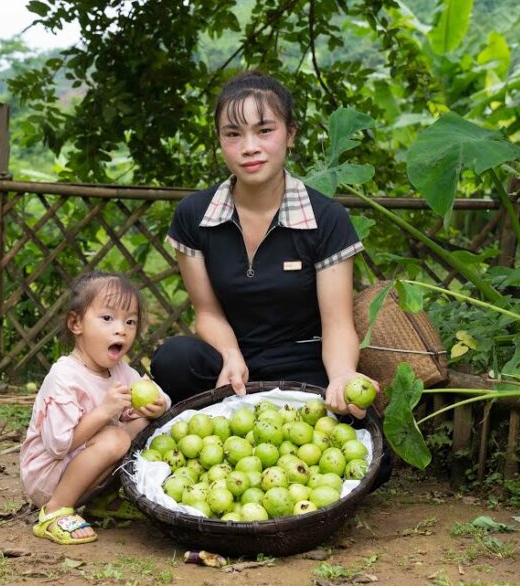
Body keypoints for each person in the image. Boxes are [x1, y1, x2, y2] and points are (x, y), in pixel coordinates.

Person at [150, 69, 379, 420]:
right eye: (233, 134)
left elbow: (337, 323)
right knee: (174, 359)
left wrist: (342, 376)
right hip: (231, 366)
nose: (249, 147)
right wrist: (229, 355)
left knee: (355, 429)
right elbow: (207, 312)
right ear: (219, 140)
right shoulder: (194, 215)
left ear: (290, 135)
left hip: (303, 364)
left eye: (265, 130)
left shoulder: (327, 218)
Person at [20, 271, 170, 545]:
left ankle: (103, 500)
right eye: (107, 318)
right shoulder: (64, 377)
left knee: (141, 425)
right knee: (116, 438)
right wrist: (103, 411)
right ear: (76, 323)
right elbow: (57, 445)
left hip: (86, 465)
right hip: (48, 476)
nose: (120, 329)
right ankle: (54, 511)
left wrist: (158, 406)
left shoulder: (120, 370)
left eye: (130, 321)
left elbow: (156, 395)